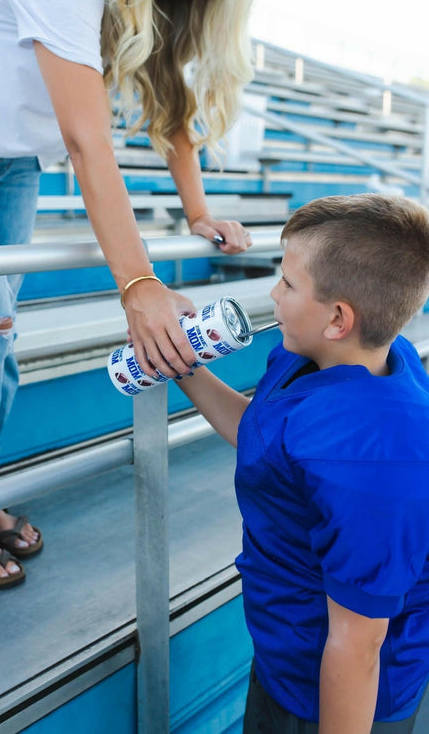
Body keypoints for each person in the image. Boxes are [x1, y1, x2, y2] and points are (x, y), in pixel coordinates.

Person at [0, 0, 259, 588]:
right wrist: (139, 283)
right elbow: (86, 138)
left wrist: (197, 211)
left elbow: (168, 95)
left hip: (13, 153)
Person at [176, 193, 429, 733]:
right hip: (286, 656)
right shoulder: (318, 355)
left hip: (339, 697)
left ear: (338, 318)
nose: (273, 292)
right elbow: (263, 436)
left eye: (289, 284)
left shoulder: (376, 460)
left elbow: (358, 646)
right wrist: (184, 365)